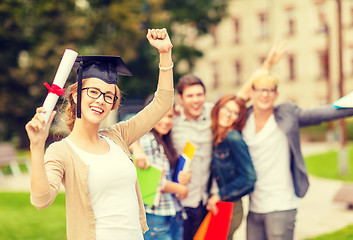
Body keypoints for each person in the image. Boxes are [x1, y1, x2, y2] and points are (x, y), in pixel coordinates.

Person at [25, 28, 174, 240]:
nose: (100, 100)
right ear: (76, 96)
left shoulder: (119, 136)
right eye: (93, 92)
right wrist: (37, 147)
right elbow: (41, 200)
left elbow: (163, 103)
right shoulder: (61, 152)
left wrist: (165, 52)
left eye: (108, 96)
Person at [240, 43, 353, 240]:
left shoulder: (286, 113)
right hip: (254, 206)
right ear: (252, 93)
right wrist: (268, 63)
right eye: (260, 90)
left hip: (282, 203)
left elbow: (319, 113)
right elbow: (232, 101)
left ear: (276, 94)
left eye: (270, 90)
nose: (265, 94)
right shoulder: (243, 119)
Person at [134, 95, 190, 240]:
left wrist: (183, 178)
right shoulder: (147, 140)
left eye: (170, 116)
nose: (166, 121)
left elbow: (167, 175)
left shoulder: (165, 140)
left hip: (172, 214)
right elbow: (153, 180)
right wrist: (181, 189)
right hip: (156, 217)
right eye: (161, 116)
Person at [169, 74, 215, 240]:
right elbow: (138, 131)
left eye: (199, 95)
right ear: (181, 98)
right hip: (181, 203)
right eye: (190, 96)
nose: (196, 100)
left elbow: (238, 100)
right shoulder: (171, 119)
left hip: (205, 201)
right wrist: (137, 150)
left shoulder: (213, 113)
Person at [205, 94, 257, 240]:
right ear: (218, 108)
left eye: (234, 113)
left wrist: (220, 194)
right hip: (215, 204)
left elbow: (250, 178)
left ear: (239, 118)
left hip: (228, 207)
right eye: (226, 109)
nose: (228, 115)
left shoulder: (233, 138)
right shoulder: (215, 135)